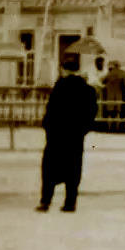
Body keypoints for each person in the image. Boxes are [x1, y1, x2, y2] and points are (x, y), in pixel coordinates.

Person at [38, 54, 100, 213]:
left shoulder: (59, 87)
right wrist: (83, 129)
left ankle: (45, 201)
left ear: (64, 69)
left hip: (56, 136)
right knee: (73, 169)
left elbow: (50, 111)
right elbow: (92, 111)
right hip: (75, 136)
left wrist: (48, 128)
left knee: (49, 170)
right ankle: (70, 203)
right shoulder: (87, 89)